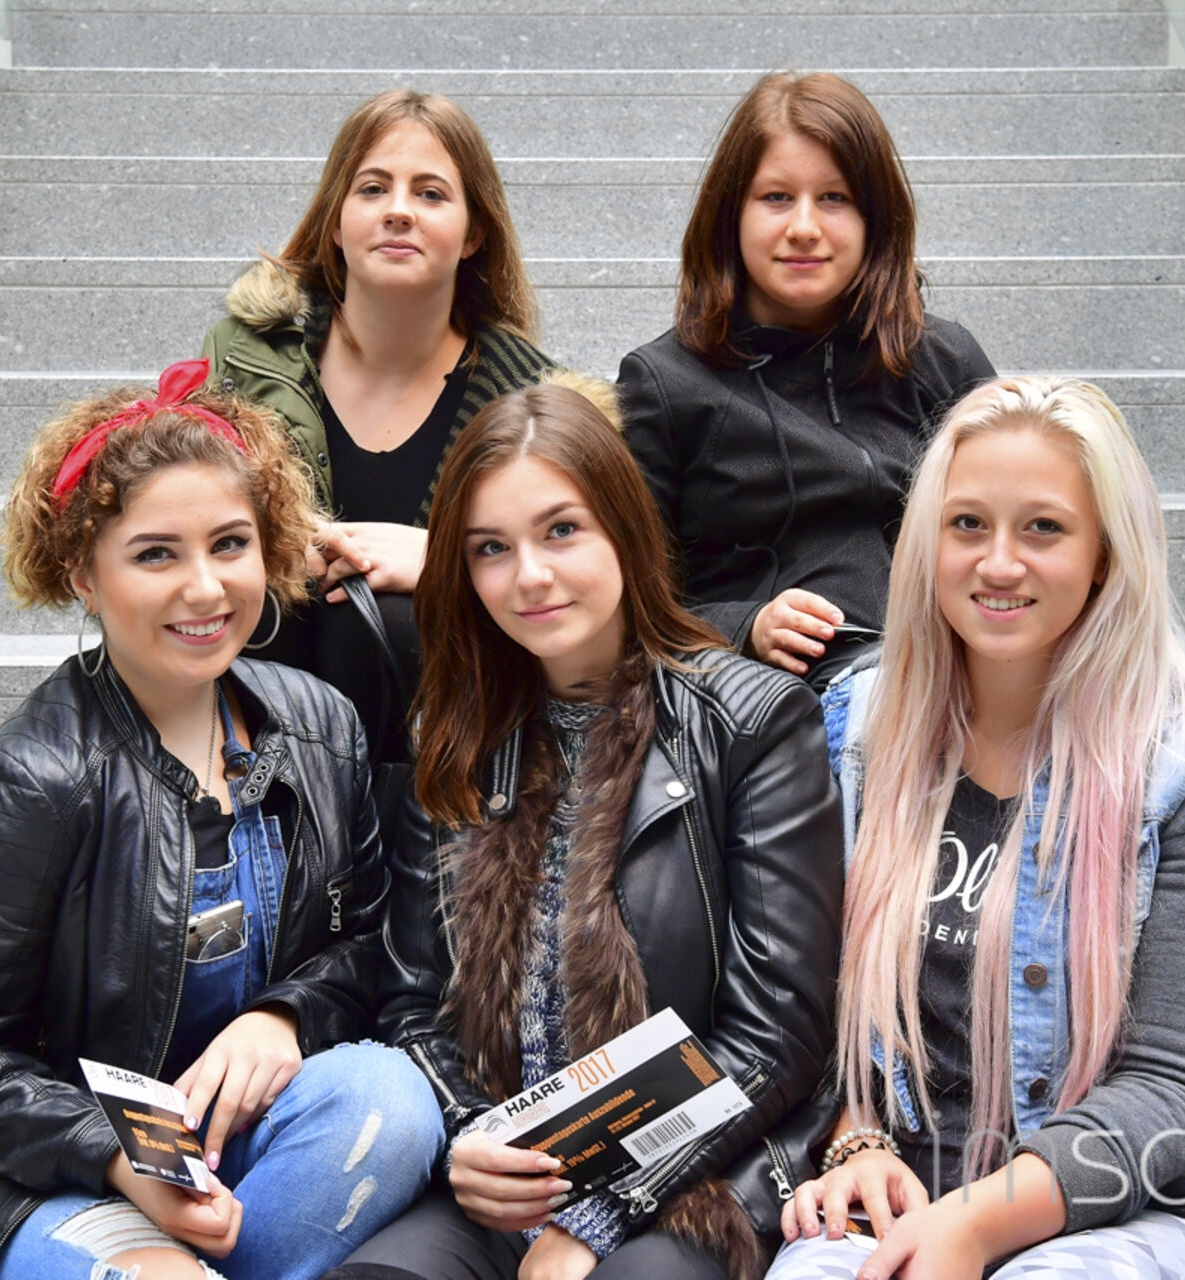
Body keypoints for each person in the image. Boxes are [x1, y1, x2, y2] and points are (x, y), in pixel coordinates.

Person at [0, 359, 444, 1280]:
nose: (206, 588)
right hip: (45, 1179)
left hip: (233, 1156)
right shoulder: (31, 780)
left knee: (390, 1099)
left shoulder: (321, 724)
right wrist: (119, 1160)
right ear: (83, 572)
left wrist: (285, 1018)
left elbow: (368, 947)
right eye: (156, 554)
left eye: (230, 544)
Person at [331, 383, 846, 1280]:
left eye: (562, 530)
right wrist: (468, 1139)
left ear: (624, 528)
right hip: (514, 1176)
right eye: (491, 548)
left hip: (695, 1175)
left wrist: (605, 1211)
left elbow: (777, 1036)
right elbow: (414, 1004)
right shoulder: (455, 735)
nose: (529, 575)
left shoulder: (752, 721)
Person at [762, 377, 1185, 1280]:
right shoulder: (854, 731)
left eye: (1043, 528)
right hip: (896, 1196)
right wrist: (854, 1138)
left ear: (1105, 554)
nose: (999, 563)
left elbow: (1176, 1087)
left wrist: (973, 1228)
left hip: (1127, 1215)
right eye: (968, 525)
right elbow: (800, 1009)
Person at [201, 87, 575, 785]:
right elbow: (177, 524)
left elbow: (583, 588)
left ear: (474, 233)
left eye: (431, 193)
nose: (399, 209)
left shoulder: (530, 403)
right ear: (336, 221)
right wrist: (275, 547)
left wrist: (451, 561)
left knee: (386, 622)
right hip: (256, 703)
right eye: (373, 188)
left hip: (445, 743)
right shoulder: (248, 359)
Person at [618, 71, 995, 688]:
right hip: (778, 698)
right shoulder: (665, 384)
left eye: (834, 198)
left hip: (945, 670)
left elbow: (1015, 529)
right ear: (730, 215)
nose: (803, 226)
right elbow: (627, 597)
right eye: (775, 197)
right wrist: (746, 626)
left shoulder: (942, 361)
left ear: (876, 218)